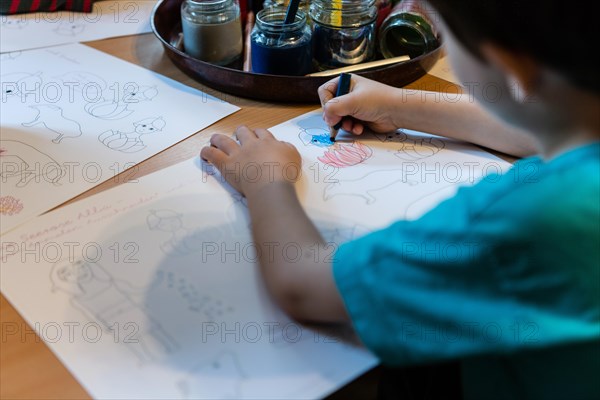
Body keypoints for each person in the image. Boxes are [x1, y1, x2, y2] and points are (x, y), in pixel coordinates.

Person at [200, 0, 599, 398]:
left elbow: (303, 285)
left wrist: (266, 179)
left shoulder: (520, 219)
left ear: (511, 68)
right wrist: (403, 105)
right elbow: (545, 131)